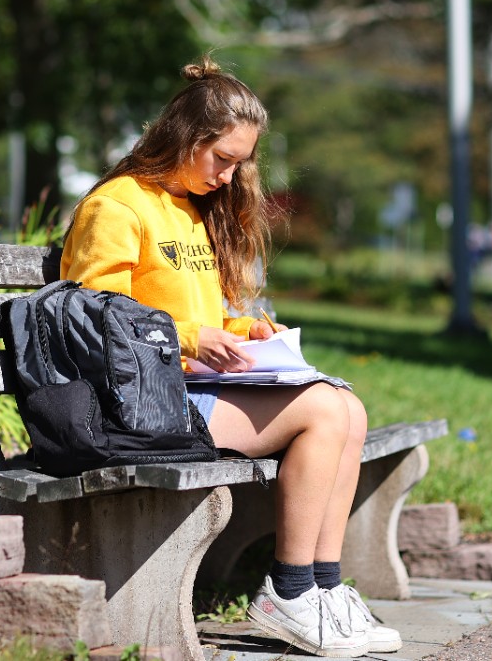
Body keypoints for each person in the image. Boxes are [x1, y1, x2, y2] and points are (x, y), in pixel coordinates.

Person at [60, 57, 401, 657]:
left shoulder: (190, 209)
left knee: (348, 407)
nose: (228, 176)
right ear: (185, 138)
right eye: (222, 159)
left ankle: (321, 588)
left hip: (180, 389)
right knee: (323, 411)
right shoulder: (117, 206)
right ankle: (289, 593)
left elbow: (192, 311)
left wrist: (243, 330)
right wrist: (192, 338)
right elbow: (90, 315)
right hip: (132, 403)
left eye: (240, 163)